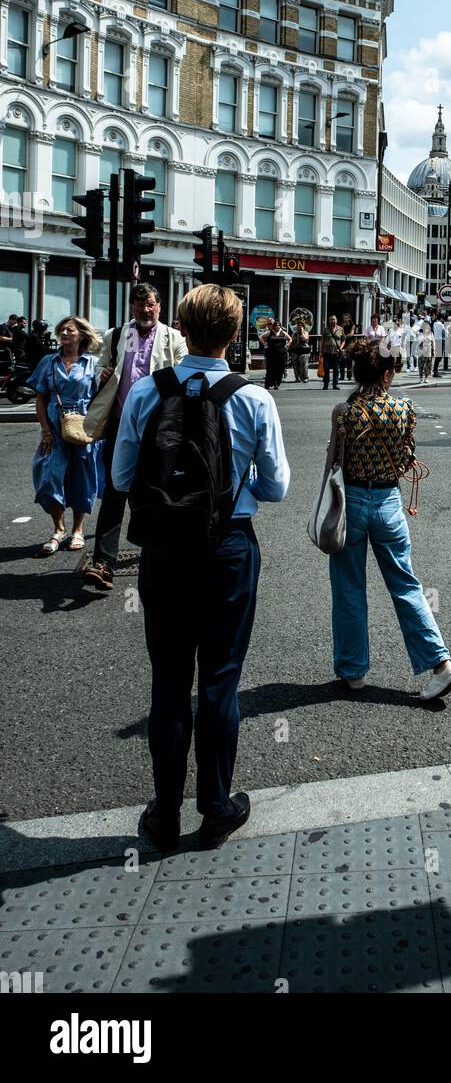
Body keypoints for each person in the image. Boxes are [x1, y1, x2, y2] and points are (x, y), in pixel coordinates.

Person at [112, 284, 290, 852]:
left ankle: (163, 811)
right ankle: (215, 806)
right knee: (219, 679)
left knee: (168, 680)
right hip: (227, 549)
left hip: (163, 553)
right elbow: (277, 487)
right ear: (235, 334)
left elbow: (118, 481)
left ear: (181, 329)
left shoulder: (145, 392)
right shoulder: (254, 398)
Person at [327, 339, 451, 698]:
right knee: (405, 585)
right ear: (387, 373)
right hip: (388, 502)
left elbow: (333, 464)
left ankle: (354, 671)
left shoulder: (344, 412)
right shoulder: (404, 408)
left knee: (349, 587)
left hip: (351, 501)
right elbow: (406, 459)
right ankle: (441, 663)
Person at [81, 285, 186, 592]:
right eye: (140, 305)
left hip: (157, 429)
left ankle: (162, 557)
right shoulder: (116, 335)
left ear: (159, 307)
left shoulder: (173, 338)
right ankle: (103, 563)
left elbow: (183, 369)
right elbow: (100, 365)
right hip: (119, 426)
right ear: (131, 307)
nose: (145, 310)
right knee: (115, 492)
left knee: (158, 493)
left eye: (150, 305)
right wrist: (101, 373)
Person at [28, 316, 104, 556]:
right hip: (54, 426)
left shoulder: (93, 363)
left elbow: (101, 399)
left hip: (83, 426)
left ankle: (78, 530)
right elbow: (40, 399)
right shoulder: (48, 362)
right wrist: (46, 431)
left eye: (69, 330)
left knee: (81, 478)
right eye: (61, 330)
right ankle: (58, 529)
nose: (64, 333)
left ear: (81, 334)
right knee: (49, 478)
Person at [260, 319, 289, 390]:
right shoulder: (270, 332)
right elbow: (260, 337)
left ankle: (277, 384)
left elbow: (290, 339)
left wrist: (287, 345)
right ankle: (268, 384)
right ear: (274, 326)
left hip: (281, 353)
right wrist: (265, 344)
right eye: (276, 325)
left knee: (280, 369)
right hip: (271, 353)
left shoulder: (283, 332)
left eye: (279, 325)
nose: (277, 327)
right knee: (270, 369)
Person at [320, 314, 345, 390]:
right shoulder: (326, 329)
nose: (333, 321)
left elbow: (343, 340)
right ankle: (326, 384)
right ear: (329, 321)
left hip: (336, 352)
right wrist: (321, 351)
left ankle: (335, 384)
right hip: (327, 352)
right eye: (331, 320)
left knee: (336, 369)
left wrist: (340, 348)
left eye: (334, 319)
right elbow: (322, 340)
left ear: (336, 320)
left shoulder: (340, 329)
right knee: (326, 368)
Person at [339, 314, 356, 382]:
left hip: (349, 344)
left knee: (349, 360)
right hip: (342, 344)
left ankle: (349, 375)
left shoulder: (352, 325)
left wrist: (344, 336)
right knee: (342, 360)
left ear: (349, 318)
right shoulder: (342, 325)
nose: (345, 319)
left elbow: (351, 334)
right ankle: (342, 376)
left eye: (346, 318)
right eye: (344, 318)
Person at [416, 320, 434, 384]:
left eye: (428, 326)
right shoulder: (420, 333)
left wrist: (434, 350)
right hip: (421, 351)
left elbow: (433, 342)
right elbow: (419, 341)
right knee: (421, 365)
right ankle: (421, 378)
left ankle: (426, 378)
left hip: (428, 351)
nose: (427, 327)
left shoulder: (431, 333)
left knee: (428, 365)